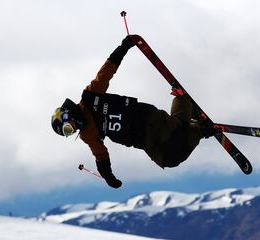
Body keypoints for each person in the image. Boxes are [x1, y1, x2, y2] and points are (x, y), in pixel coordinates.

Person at [51, 35, 214, 188]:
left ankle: (195, 123)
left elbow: (106, 72)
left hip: (147, 119)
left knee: (176, 136)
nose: (72, 131)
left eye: (68, 128)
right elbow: (100, 155)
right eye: (68, 133)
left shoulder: (90, 97)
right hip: (141, 141)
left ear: (68, 114)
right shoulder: (87, 134)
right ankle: (187, 115)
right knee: (169, 160)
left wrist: (124, 47)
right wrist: (108, 177)